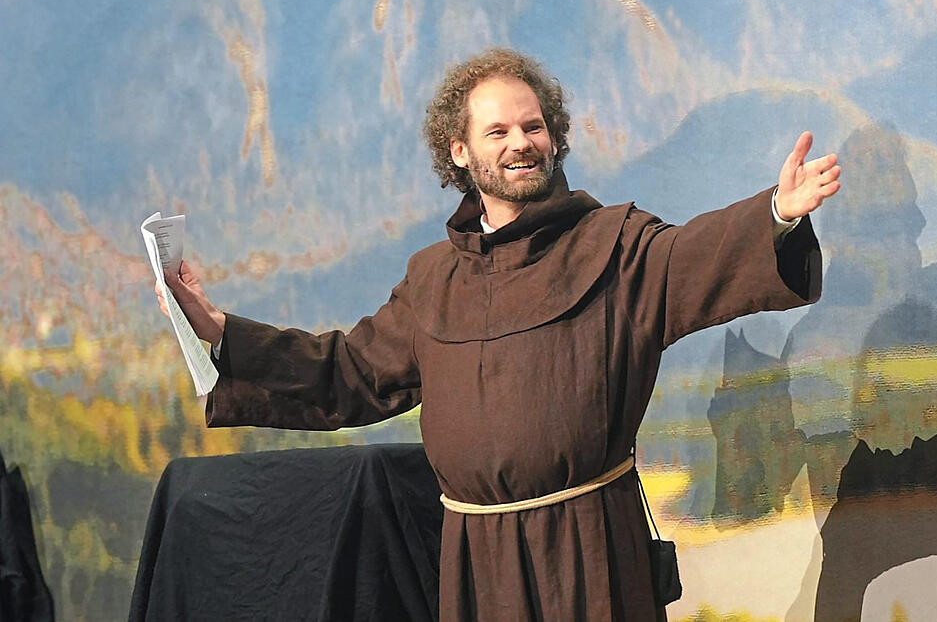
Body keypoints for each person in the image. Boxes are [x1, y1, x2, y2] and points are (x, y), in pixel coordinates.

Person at [156, 48, 840, 620]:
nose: (521, 143)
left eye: (534, 126)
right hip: (478, 561)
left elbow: (699, 255)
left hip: (593, 549)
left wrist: (777, 214)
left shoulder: (615, 247)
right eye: (498, 131)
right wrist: (221, 331)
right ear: (459, 151)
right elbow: (347, 371)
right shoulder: (433, 279)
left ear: (555, 139)